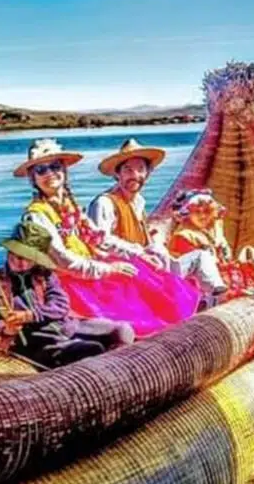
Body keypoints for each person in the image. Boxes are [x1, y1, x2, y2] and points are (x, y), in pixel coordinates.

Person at [16, 139, 201, 337]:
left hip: (86, 268)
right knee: (127, 282)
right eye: (41, 170)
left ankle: (181, 316)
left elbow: (98, 238)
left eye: (55, 166)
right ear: (32, 178)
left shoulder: (70, 206)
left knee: (140, 268)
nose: (50, 173)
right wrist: (108, 269)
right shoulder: (34, 218)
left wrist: (139, 253)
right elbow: (61, 261)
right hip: (67, 281)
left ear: (64, 170)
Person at [0, 221, 135, 367]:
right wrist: (6, 328)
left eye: (28, 258)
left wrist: (30, 315)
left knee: (122, 330)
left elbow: (61, 306)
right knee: (93, 349)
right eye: (17, 255)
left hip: (69, 327)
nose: (21, 263)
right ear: (9, 251)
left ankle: (119, 368)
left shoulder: (44, 275)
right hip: (38, 342)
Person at [88, 138, 228, 295]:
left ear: (147, 174)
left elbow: (143, 239)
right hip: (123, 270)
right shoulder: (105, 203)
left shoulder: (138, 202)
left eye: (140, 169)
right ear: (117, 174)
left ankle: (216, 295)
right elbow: (100, 241)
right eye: (128, 170)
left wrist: (155, 250)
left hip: (146, 263)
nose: (135, 175)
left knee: (202, 257)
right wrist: (140, 254)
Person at [167, 189, 254, 300]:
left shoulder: (215, 228)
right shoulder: (183, 236)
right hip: (204, 285)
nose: (203, 216)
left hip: (225, 274)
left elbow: (225, 256)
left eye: (207, 211)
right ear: (187, 214)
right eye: (197, 212)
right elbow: (190, 274)